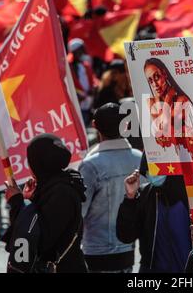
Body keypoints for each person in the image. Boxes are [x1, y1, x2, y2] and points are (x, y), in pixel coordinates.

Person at [4, 133, 88, 273]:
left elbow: (37, 241)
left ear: (38, 163)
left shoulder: (61, 193)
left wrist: (17, 202)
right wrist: (30, 198)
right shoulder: (53, 186)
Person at [79, 103, 142, 273]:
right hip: (128, 249)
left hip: (96, 252)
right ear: (126, 125)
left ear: (94, 125)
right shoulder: (140, 159)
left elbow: (79, 212)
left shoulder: (91, 165)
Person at [116, 154, 192, 273]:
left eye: (156, 167)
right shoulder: (145, 194)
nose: (152, 174)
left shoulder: (191, 195)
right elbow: (125, 236)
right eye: (148, 170)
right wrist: (130, 198)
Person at [143, 58, 193, 160]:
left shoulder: (181, 101)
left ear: (164, 74)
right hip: (166, 162)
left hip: (187, 159)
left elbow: (164, 127)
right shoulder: (151, 102)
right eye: (150, 81)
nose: (155, 84)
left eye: (157, 77)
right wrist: (168, 99)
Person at [68, 38, 99, 127]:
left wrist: (94, 86)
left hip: (89, 102)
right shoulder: (68, 66)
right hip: (77, 103)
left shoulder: (85, 64)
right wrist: (77, 94)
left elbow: (93, 78)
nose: (82, 52)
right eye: (80, 50)